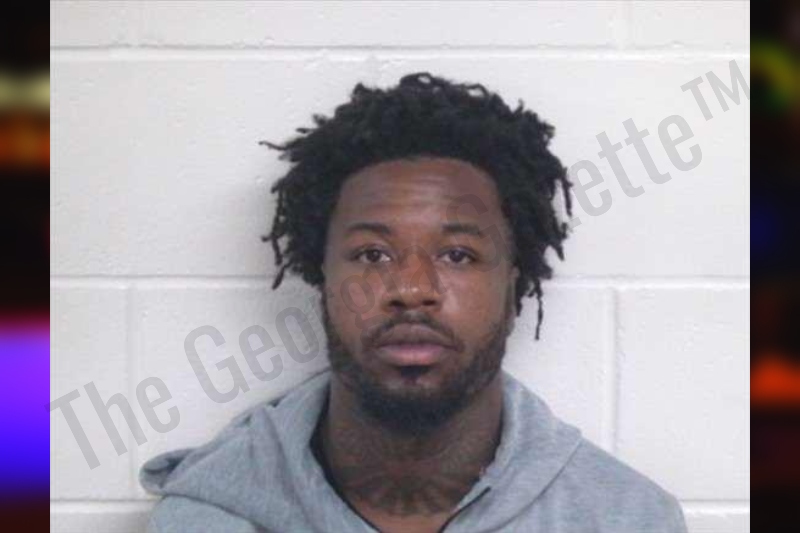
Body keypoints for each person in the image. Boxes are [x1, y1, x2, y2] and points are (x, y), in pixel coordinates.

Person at [140, 73, 687, 532]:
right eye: (372, 254)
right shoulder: (204, 521)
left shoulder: (626, 520)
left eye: (458, 255)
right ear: (321, 275)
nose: (410, 289)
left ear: (513, 284)